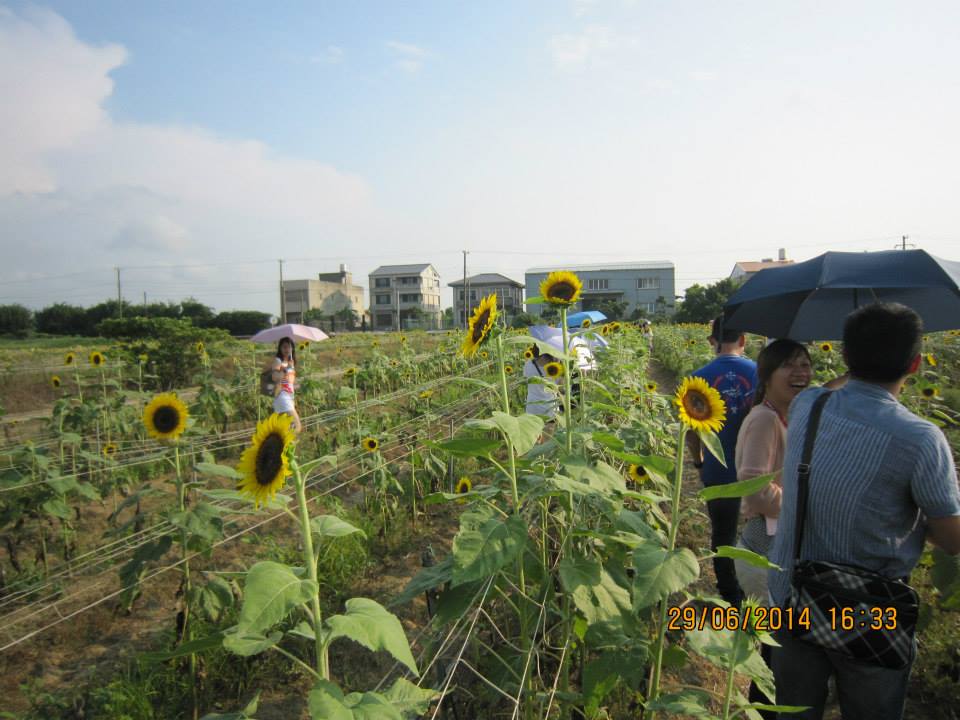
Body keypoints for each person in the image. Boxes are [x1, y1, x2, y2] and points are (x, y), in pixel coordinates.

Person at [768, 303, 960, 720]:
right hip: (870, 613)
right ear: (915, 363)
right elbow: (950, 538)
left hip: (792, 598)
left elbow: (834, 388)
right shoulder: (921, 439)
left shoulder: (807, 406)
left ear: (843, 357)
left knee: (793, 711)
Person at [734, 339, 813, 599]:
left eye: (805, 364)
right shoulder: (764, 419)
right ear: (766, 376)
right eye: (788, 365)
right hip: (763, 550)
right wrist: (802, 507)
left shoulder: (784, 415)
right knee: (772, 635)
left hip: (776, 548)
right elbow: (754, 486)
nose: (800, 372)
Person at [688, 316, 758, 606]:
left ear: (711, 342)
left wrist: (700, 462)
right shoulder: (761, 373)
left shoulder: (699, 378)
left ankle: (732, 599)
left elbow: (693, 433)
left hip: (720, 470)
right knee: (763, 537)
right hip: (761, 471)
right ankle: (762, 597)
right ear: (743, 340)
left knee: (724, 538)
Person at [271, 337, 302, 432]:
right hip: (282, 396)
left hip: (288, 396)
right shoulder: (278, 361)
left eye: (289, 347)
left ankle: (287, 445)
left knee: (286, 428)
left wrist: (296, 385)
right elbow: (275, 377)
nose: (287, 349)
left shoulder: (290, 362)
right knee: (297, 427)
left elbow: (290, 382)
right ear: (280, 348)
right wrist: (286, 368)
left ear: (292, 349)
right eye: (284, 347)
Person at [524, 345, 561, 419]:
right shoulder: (555, 369)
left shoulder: (528, 364)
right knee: (549, 430)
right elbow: (561, 388)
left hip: (532, 408)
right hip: (550, 409)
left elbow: (526, 378)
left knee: (533, 430)